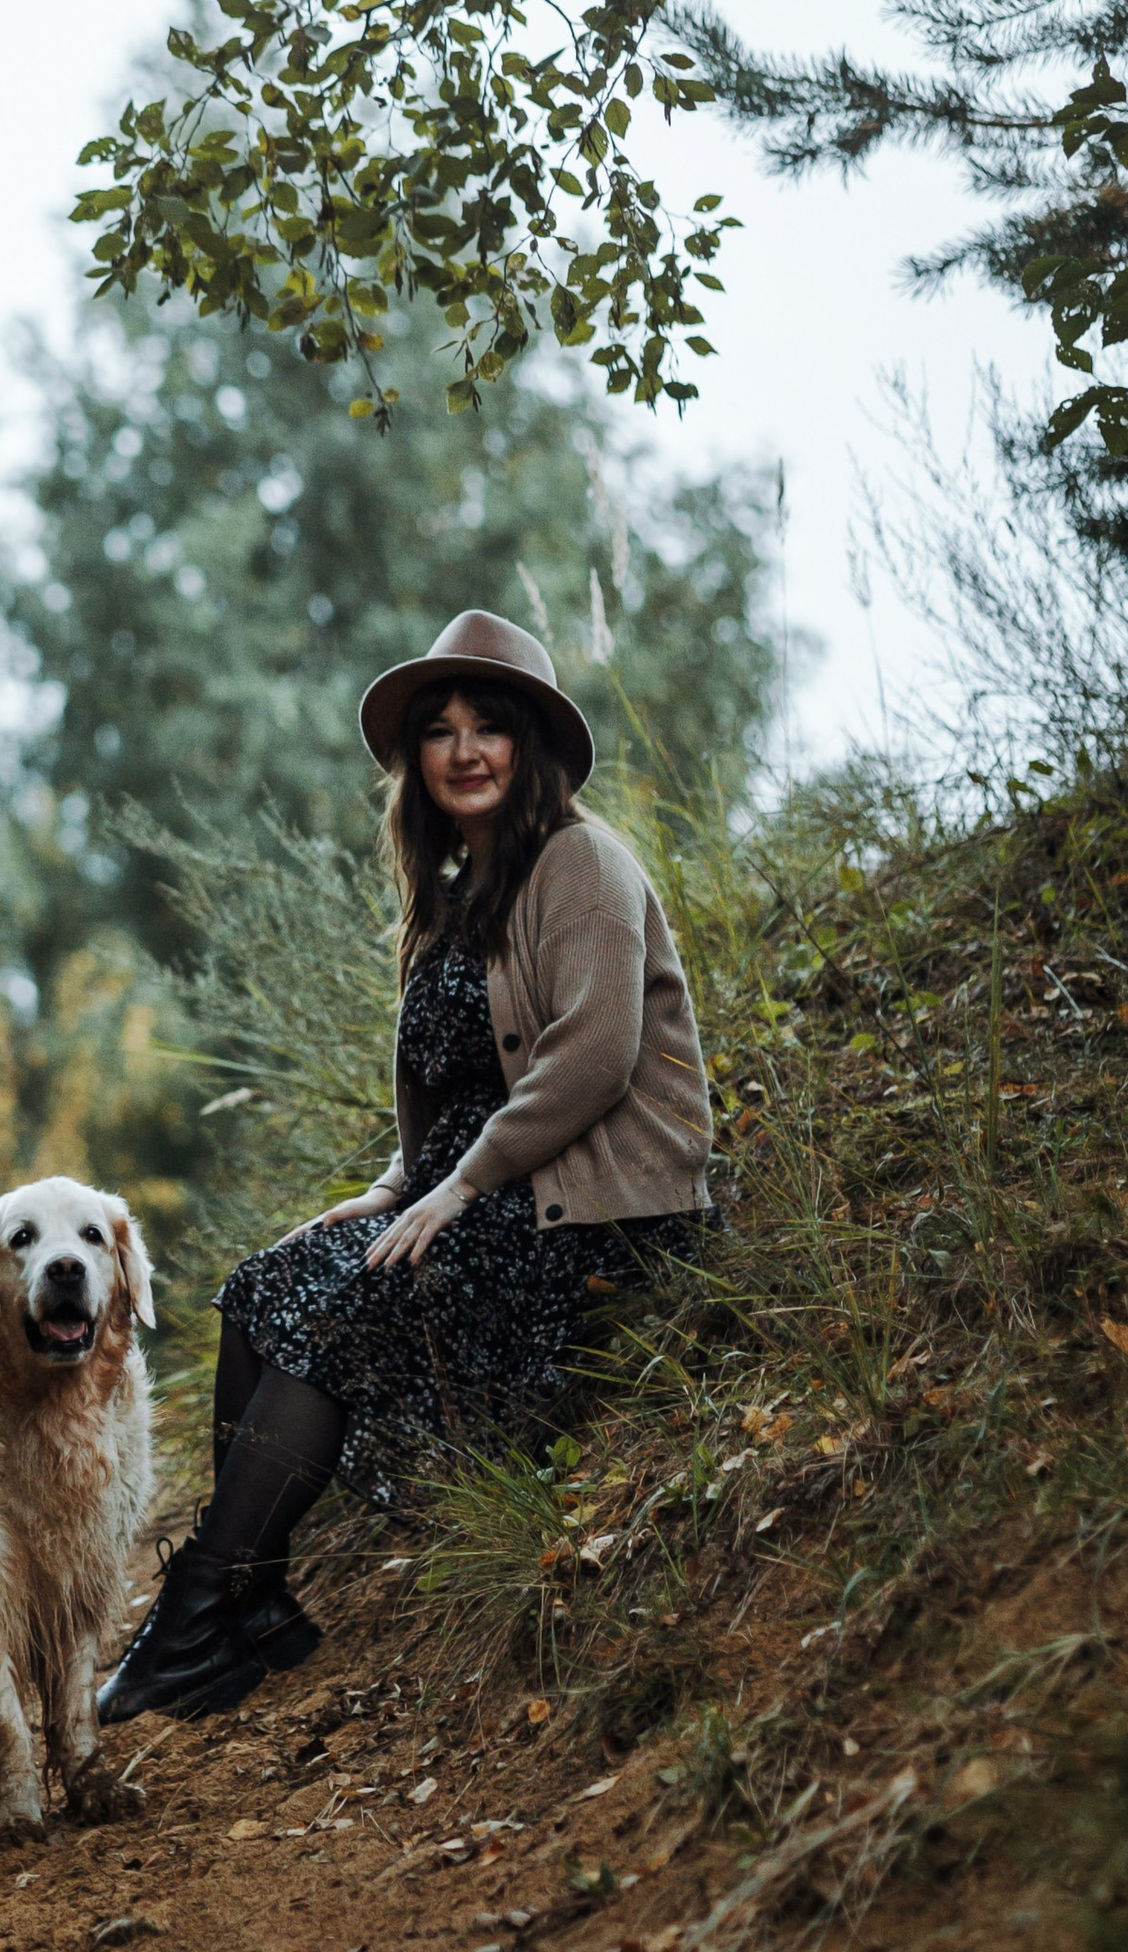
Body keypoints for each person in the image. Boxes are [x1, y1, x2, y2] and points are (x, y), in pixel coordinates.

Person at [99, 608, 714, 1727]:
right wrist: (393, 1187)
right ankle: (256, 1604)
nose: (465, 749)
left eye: (490, 727)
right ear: (414, 763)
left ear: (530, 748)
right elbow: (448, 1089)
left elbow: (590, 1059)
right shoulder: (446, 902)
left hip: (590, 1217)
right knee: (265, 1287)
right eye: (440, 730)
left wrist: (457, 1186)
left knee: (351, 1309)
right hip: (483, 1191)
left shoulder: (582, 863)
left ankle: (191, 1617)